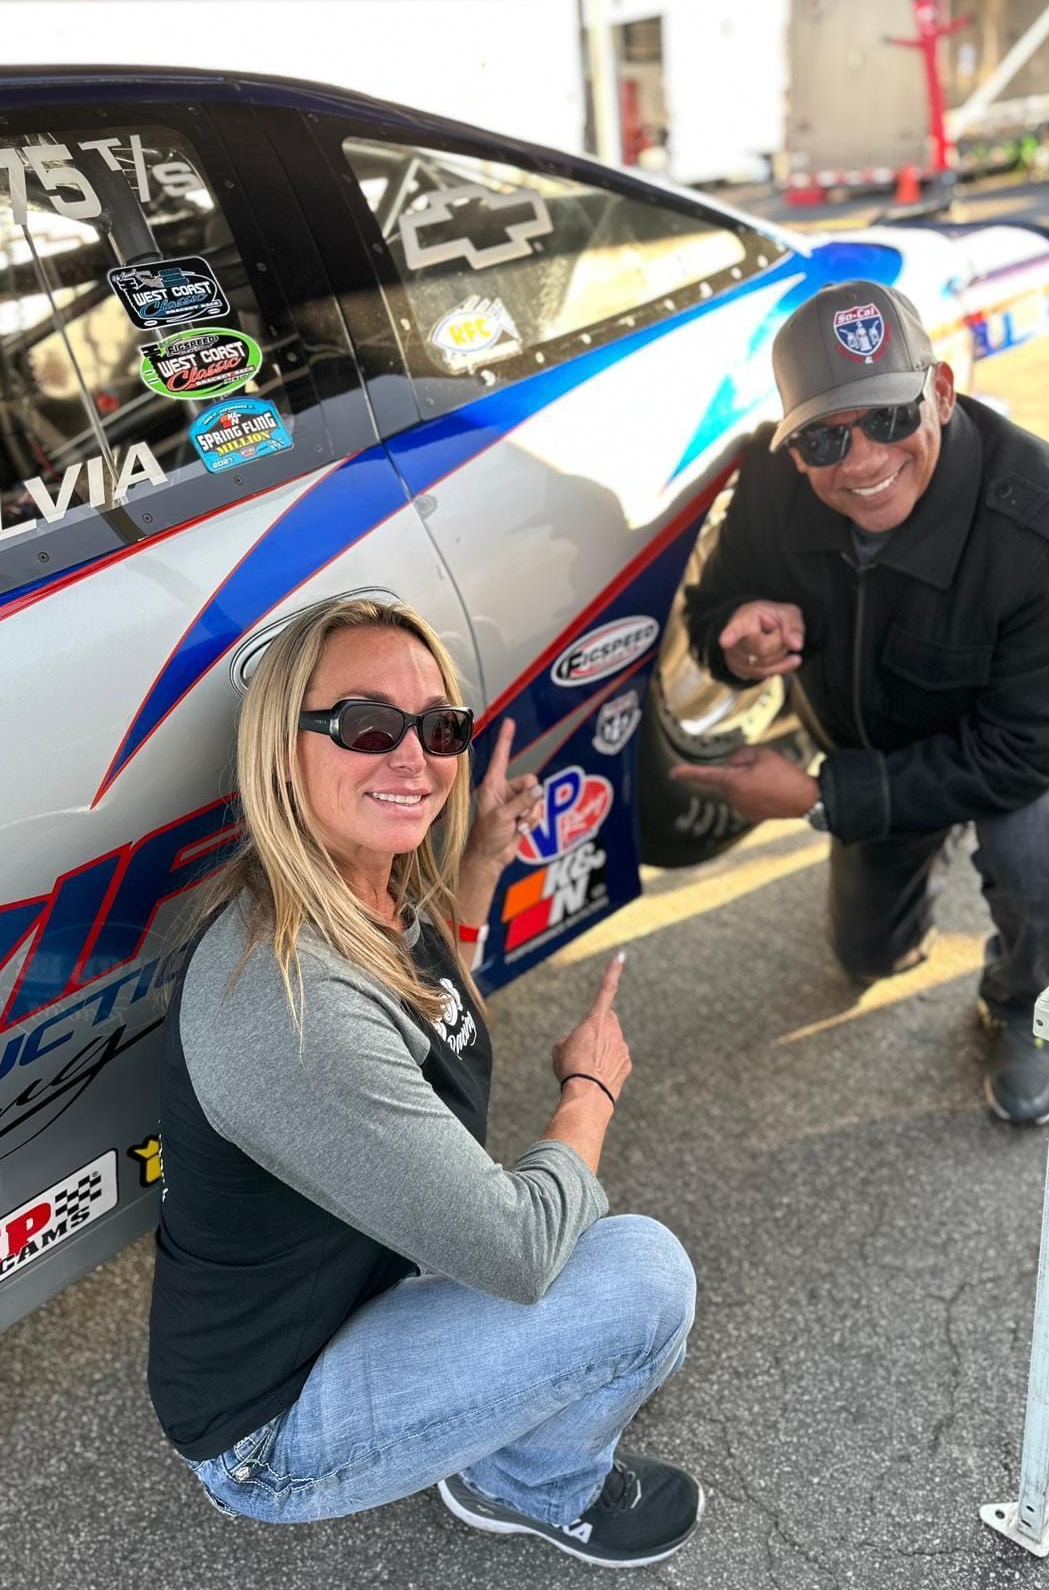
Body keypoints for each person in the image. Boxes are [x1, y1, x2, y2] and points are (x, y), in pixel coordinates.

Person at [146, 597, 702, 1568]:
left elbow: (429, 1013)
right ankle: (529, 1485)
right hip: (268, 1427)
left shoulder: (359, 887)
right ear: (282, 748)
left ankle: (485, 1439)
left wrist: (479, 859)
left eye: (440, 728)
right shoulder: (286, 998)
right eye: (368, 725)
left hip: (355, 1294)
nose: (415, 758)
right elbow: (518, 1249)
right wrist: (590, 1089)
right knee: (642, 1278)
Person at [679, 280, 1049, 1126]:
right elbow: (710, 609)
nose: (863, 461)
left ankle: (1024, 1002)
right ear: (794, 444)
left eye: (890, 417)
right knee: (867, 957)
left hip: (1013, 756)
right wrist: (735, 640)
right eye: (826, 436)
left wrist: (820, 796)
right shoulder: (771, 479)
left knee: (1046, 840)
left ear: (940, 391)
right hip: (876, 753)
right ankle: (917, 845)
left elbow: (1026, 752)